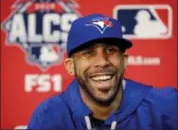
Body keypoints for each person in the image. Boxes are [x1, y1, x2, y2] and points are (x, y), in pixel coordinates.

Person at [27, 14, 177, 129]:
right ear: (70, 66)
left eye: (111, 50)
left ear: (124, 61)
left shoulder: (167, 106)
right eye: (88, 53)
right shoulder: (48, 117)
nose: (103, 61)